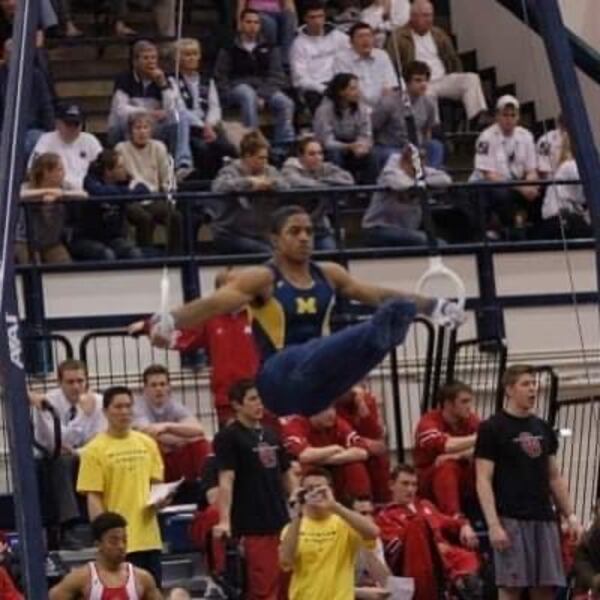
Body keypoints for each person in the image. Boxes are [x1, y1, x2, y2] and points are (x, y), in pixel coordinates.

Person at [147, 204, 464, 418]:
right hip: (278, 377)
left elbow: (375, 292)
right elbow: (215, 303)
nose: (304, 238)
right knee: (344, 339)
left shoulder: (329, 273)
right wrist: (170, 319)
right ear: (275, 240)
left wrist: (432, 305)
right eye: (294, 231)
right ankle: (379, 330)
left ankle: (382, 336)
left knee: (370, 344)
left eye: (309, 232)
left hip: (316, 390)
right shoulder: (264, 277)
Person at [475, 364, 583, 600]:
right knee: (511, 589)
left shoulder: (542, 427)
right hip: (510, 519)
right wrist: (493, 524)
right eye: (526, 384)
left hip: (543, 518)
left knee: (545, 588)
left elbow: (554, 476)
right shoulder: (492, 428)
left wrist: (571, 515)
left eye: (534, 384)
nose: (533, 389)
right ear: (509, 390)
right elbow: (483, 479)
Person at [129, 269, 261, 427]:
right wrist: (147, 326)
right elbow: (180, 330)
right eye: (231, 288)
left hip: (260, 395)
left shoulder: (259, 316)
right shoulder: (210, 318)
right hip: (226, 397)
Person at [213, 379, 295, 600]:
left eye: (260, 399)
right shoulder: (229, 437)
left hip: (281, 523)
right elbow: (226, 479)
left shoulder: (271, 434)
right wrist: (225, 519)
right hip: (253, 527)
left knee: (287, 588)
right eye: (252, 399)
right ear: (237, 405)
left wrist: (297, 499)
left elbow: (286, 474)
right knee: (264, 589)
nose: (259, 404)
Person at [77, 386, 166, 587]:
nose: (124, 411)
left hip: (149, 539)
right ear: (106, 411)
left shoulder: (147, 443)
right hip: (119, 543)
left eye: (128, 406)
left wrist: (162, 500)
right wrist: (104, 536)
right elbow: (93, 497)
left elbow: (158, 487)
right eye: (118, 406)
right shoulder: (94, 450)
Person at [376, 464, 482, 600]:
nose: (410, 489)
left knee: (471, 559)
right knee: (416, 527)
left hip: (446, 561)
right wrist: (431, 545)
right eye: (405, 484)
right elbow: (399, 550)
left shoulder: (425, 506)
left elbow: (450, 521)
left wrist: (464, 526)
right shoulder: (386, 516)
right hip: (419, 568)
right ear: (391, 485)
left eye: (414, 485)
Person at [28, 359, 105, 545]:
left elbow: (100, 438)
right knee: (61, 461)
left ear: (87, 381)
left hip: (85, 455)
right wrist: (82, 416)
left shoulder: (99, 401)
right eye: (70, 382)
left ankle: (103, 525)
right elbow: (52, 441)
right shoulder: (48, 403)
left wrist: (78, 450)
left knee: (102, 458)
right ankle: (70, 525)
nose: (76, 387)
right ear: (59, 382)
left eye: (80, 381)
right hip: (52, 457)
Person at [279, 467, 380, 599]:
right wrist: (298, 514)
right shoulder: (292, 528)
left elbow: (373, 533)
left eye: (320, 488)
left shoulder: (345, 524)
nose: (314, 493)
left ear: (330, 491)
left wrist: (334, 506)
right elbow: (286, 561)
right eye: (309, 489)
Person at [388, 0, 488, 129]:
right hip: (420, 82)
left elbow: (452, 58)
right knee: (425, 92)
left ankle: (476, 121)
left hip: (443, 79)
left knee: (471, 78)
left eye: (430, 15)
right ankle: (435, 130)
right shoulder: (399, 37)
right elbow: (392, 64)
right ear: (412, 16)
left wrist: (457, 73)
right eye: (424, 15)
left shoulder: (438, 33)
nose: (429, 19)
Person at [107, 40, 193, 178]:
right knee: (128, 121)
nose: (151, 62)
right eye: (146, 58)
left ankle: (182, 164)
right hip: (125, 127)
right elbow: (121, 110)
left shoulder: (166, 79)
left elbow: (176, 108)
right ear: (135, 61)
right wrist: (148, 113)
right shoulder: (124, 79)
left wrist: (163, 85)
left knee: (180, 116)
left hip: (153, 127)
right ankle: (131, 168)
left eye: (153, 58)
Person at [214, 8, 295, 147]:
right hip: (236, 87)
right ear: (241, 24)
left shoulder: (270, 47)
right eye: (249, 22)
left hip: (264, 87)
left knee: (286, 103)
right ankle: (254, 141)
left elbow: (277, 75)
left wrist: (263, 94)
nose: (252, 26)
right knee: (247, 94)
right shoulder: (229, 47)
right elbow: (220, 76)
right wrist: (226, 92)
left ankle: (284, 144)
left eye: (256, 23)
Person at [470, 95, 539, 239]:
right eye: (505, 115)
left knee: (540, 191)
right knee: (499, 192)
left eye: (513, 115)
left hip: (515, 184)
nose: (509, 119)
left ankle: (531, 233)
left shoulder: (526, 136)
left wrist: (531, 185)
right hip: (490, 184)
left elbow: (531, 170)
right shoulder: (486, 137)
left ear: (518, 117)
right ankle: (490, 231)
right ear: (497, 116)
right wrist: (521, 187)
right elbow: (488, 174)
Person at [48, 512, 161, 599]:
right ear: (98, 544)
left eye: (124, 540)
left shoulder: (142, 578)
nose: (121, 546)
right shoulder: (81, 578)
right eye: (114, 541)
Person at [211, 129, 290, 254]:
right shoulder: (230, 170)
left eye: (266, 158)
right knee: (269, 253)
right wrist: (249, 183)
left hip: (261, 235)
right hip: (230, 234)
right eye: (261, 158)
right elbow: (218, 187)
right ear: (247, 156)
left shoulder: (270, 171)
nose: (265, 162)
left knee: (289, 251)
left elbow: (286, 186)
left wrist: (271, 184)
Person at [116, 112, 183, 255]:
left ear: (151, 130)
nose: (142, 132)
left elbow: (167, 177)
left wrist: (170, 198)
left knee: (175, 216)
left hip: (154, 197)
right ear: (130, 131)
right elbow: (122, 178)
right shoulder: (121, 148)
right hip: (132, 198)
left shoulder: (159, 147)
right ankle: (146, 257)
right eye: (138, 128)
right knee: (144, 218)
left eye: (146, 127)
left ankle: (175, 256)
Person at [169, 38, 236, 180]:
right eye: (187, 54)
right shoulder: (172, 80)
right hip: (189, 125)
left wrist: (209, 124)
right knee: (203, 148)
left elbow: (214, 106)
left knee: (227, 146)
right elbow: (178, 106)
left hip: (208, 125)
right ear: (177, 58)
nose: (192, 58)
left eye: (195, 54)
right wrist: (202, 126)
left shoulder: (207, 80)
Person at [362, 144, 451, 247]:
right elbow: (401, 185)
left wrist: (421, 181)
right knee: (437, 244)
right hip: (378, 229)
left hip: (406, 230)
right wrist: (420, 183)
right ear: (403, 162)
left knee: (440, 241)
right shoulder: (390, 172)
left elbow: (445, 179)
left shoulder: (421, 171)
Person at [133, 364, 210, 483]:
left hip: (172, 454)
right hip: (150, 458)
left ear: (169, 387)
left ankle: (203, 485)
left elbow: (198, 430)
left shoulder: (174, 405)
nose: (159, 389)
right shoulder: (138, 408)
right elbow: (150, 433)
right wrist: (183, 436)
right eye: (153, 385)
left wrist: (168, 427)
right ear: (145, 388)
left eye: (162, 384)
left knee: (201, 443)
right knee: (154, 444)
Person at [414, 381, 480, 516]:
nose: (469, 407)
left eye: (470, 401)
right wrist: (479, 437)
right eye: (464, 402)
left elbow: (486, 447)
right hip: (429, 478)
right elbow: (447, 445)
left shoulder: (471, 420)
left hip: (462, 474)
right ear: (448, 404)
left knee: (486, 463)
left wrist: (458, 455)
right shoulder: (428, 421)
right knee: (447, 466)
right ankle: (454, 518)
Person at [281, 406, 372, 499]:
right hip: (305, 471)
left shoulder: (337, 423)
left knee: (355, 466)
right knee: (302, 468)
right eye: (325, 409)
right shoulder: (295, 423)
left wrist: (324, 459)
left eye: (333, 408)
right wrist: (334, 449)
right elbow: (304, 455)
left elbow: (363, 452)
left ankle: (358, 506)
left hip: (330, 467)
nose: (331, 414)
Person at [282, 135, 354, 250]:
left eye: (320, 153)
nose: (318, 158)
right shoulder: (289, 168)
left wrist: (320, 182)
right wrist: (325, 186)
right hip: (294, 229)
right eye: (312, 154)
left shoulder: (325, 168)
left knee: (332, 253)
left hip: (319, 228)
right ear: (300, 157)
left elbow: (348, 180)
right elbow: (295, 182)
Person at [72, 149, 145, 261]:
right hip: (86, 238)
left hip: (113, 238)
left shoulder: (125, 180)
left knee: (134, 253)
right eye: (120, 167)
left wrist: (125, 191)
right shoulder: (90, 181)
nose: (125, 170)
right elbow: (99, 193)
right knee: (107, 255)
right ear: (108, 171)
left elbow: (144, 190)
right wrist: (127, 191)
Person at [16, 152, 86, 265]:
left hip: (51, 242)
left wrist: (61, 194)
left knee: (66, 266)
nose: (63, 173)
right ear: (46, 172)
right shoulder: (27, 187)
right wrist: (46, 192)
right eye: (59, 169)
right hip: (26, 241)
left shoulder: (64, 186)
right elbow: (18, 195)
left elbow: (83, 194)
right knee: (34, 269)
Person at [372, 60, 443, 170]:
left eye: (425, 80)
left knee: (435, 146)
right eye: (418, 80)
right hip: (391, 147)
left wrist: (423, 145)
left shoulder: (429, 103)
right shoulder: (388, 102)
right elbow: (374, 127)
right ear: (407, 82)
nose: (423, 84)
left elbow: (427, 130)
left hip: (416, 146)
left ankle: (429, 173)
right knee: (390, 155)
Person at [313, 72, 378, 184]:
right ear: (341, 92)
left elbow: (366, 134)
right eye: (353, 89)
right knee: (335, 155)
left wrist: (362, 146)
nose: (358, 92)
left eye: (357, 88)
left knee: (373, 155)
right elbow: (327, 141)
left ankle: (368, 190)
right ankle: (339, 190)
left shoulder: (362, 109)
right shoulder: (324, 110)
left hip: (354, 145)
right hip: (332, 148)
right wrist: (348, 147)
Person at [290, 0, 349, 113]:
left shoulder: (338, 36)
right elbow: (299, 79)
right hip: (314, 88)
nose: (317, 21)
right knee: (317, 100)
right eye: (312, 17)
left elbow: (351, 57)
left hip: (339, 82)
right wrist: (322, 88)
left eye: (320, 16)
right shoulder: (298, 44)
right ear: (305, 19)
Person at [336, 384, 391, 503]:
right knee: (354, 465)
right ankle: (362, 507)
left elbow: (376, 436)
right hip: (340, 451)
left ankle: (383, 505)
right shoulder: (328, 403)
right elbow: (340, 434)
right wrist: (364, 444)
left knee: (379, 459)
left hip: (362, 448)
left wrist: (362, 408)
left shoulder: (365, 400)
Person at [29, 103, 103, 192]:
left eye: (76, 124)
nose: (72, 128)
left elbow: (103, 167)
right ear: (57, 123)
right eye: (68, 124)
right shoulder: (46, 140)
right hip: (57, 193)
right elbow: (32, 170)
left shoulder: (90, 140)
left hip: (87, 193)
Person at [0, 38, 54, 158]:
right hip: (5, 129)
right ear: (4, 55)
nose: (14, 58)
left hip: (32, 128)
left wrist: (52, 133)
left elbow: (46, 105)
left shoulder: (35, 76)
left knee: (38, 142)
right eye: (9, 53)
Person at [334, 21, 399, 108]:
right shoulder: (342, 59)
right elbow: (347, 91)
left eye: (369, 36)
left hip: (382, 108)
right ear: (351, 42)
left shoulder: (382, 55)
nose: (366, 40)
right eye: (360, 36)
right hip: (356, 108)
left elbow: (391, 85)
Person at [350, 496, 391, 598]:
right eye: (363, 513)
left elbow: (385, 580)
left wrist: (366, 547)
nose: (368, 518)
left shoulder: (374, 539)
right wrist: (359, 592)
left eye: (371, 514)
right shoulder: (338, 538)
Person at [237, 0, 298, 66]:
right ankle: (272, 57)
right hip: (257, 13)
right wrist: (239, 23)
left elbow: (289, 3)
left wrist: (294, 23)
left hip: (277, 13)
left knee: (289, 17)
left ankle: (285, 61)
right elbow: (241, 4)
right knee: (270, 23)